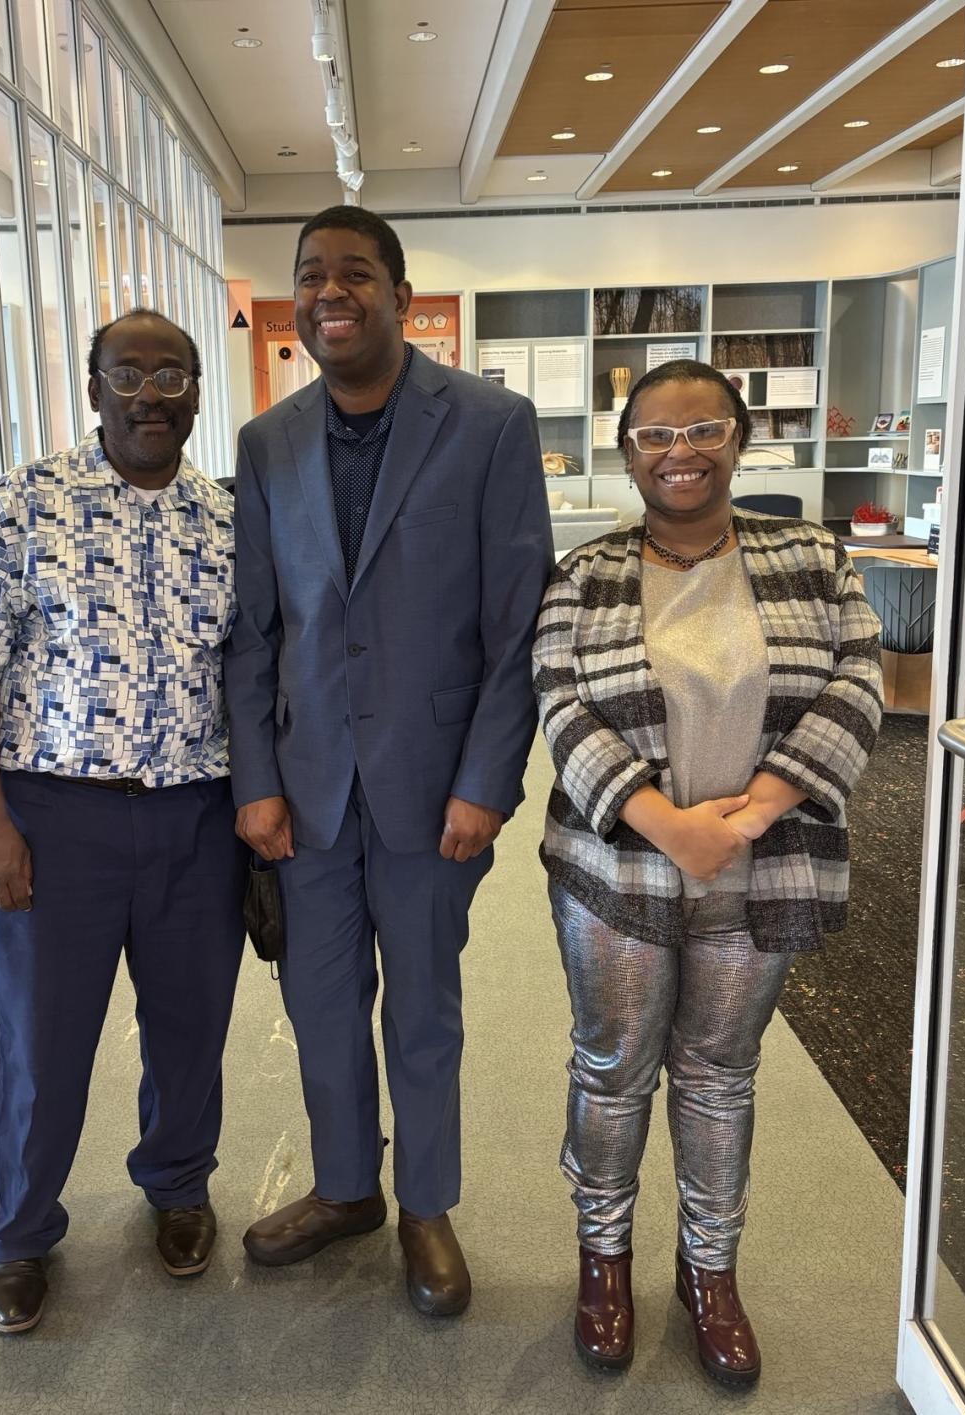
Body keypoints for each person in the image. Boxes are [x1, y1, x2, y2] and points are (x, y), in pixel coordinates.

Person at [224, 206, 552, 1316]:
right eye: (311, 275)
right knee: (320, 1002)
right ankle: (346, 1186)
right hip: (306, 789)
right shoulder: (267, 443)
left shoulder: (492, 425)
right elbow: (253, 630)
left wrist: (485, 782)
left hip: (432, 786)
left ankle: (425, 1203)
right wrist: (255, 781)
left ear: (401, 296)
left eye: (354, 273)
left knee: (422, 1003)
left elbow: (518, 625)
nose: (330, 292)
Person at [533, 359, 882, 1384]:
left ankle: (709, 1269)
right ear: (627, 449)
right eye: (655, 435)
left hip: (759, 869)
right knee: (612, 1068)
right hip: (616, 872)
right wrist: (664, 823)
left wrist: (755, 812)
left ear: (737, 435)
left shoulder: (813, 556)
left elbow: (857, 683)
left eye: (701, 429)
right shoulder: (586, 570)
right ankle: (604, 1258)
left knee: (720, 1074)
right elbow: (562, 704)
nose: (679, 451)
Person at [0, 310, 247, 1334]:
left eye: (171, 373)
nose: (151, 391)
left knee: (190, 1028)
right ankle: (17, 1229)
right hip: (56, 821)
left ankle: (178, 1186)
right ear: (93, 387)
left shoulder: (229, 518)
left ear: (195, 390)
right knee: (42, 1043)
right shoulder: (24, 501)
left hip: (197, 817)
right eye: (128, 372)